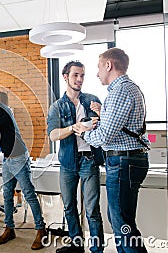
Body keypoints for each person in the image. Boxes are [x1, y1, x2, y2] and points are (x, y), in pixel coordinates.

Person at [73, 48, 150, 252]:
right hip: (127, 161)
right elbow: (118, 129)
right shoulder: (126, 89)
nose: (97, 73)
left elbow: (103, 137)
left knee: (122, 225)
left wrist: (83, 132)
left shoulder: (120, 91)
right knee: (120, 221)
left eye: (98, 67)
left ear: (109, 65)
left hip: (124, 162)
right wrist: (103, 114)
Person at [0, 82, 46, 250]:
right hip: (8, 158)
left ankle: (41, 229)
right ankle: (9, 228)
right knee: (7, 194)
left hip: (19, 157)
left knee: (28, 194)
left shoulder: (0, 111)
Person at [47, 61, 104, 253]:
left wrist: (101, 114)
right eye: (75, 75)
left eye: (82, 76)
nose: (79, 79)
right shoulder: (56, 107)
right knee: (69, 207)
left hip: (89, 160)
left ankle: (97, 250)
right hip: (68, 163)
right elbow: (53, 135)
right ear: (65, 77)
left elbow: (107, 128)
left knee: (92, 210)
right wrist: (73, 128)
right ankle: (77, 246)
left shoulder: (92, 100)